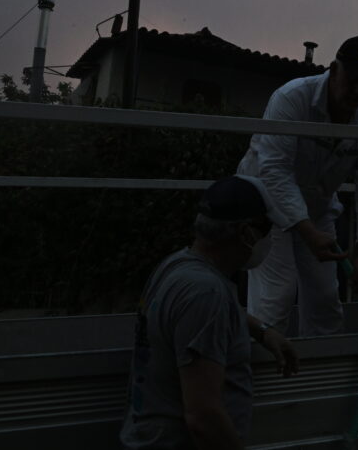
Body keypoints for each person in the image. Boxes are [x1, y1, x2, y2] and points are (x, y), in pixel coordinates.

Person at [120, 175, 300, 450]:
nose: (269, 240)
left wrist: (262, 331)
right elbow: (203, 418)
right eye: (266, 230)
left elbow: (192, 320)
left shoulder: (177, 266)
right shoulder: (205, 293)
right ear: (245, 233)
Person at [237, 34, 358, 336]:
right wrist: (306, 231)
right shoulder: (292, 98)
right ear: (333, 70)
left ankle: (319, 377)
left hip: (318, 210)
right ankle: (264, 376)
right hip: (267, 206)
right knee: (276, 294)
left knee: (325, 299)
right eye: (353, 79)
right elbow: (275, 171)